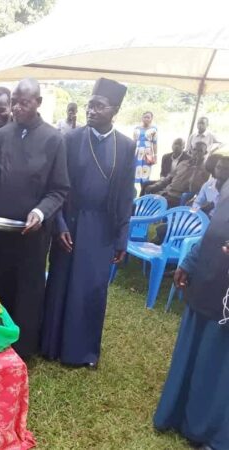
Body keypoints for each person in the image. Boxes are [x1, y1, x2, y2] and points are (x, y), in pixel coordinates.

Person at [0, 77, 70, 359]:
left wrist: (39, 212)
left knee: (26, 290)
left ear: (38, 102)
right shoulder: (1, 136)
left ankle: (21, 351)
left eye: (24, 103)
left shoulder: (54, 139)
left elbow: (59, 189)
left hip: (31, 235)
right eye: (15, 102)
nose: (18, 108)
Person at [40, 78, 135, 368]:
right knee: (62, 282)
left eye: (99, 106)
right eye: (89, 105)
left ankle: (82, 352)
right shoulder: (70, 139)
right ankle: (53, 346)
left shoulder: (126, 146)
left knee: (91, 287)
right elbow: (56, 186)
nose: (91, 111)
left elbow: (125, 195)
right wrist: (59, 224)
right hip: (70, 222)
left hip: (102, 228)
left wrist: (122, 236)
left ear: (115, 110)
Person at [153, 167, 229, 449]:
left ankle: (212, 433)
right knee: (194, 351)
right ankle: (177, 415)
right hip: (207, 278)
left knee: (218, 362)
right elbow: (213, 229)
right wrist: (189, 261)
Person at [145, 141, 209, 207]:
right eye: (195, 150)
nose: (196, 153)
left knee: (151, 206)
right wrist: (156, 185)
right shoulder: (183, 163)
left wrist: (196, 169)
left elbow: (194, 189)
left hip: (179, 198)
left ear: (205, 153)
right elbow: (168, 178)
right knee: (145, 198)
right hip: (166, 192)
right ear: (191, 150)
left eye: (200, 151)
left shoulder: (205, 170)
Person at [191, 153, 229, 218]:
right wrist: (200, 210)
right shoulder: (207, 185)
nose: (221, 171)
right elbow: (196, 203)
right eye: (218, 167)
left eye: (226, 168)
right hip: (204, 217)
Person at [134, 111, 158, 188]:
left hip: (148, 154)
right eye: (145, 117)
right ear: (142, 118)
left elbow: (155, 143)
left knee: (145, 173)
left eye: (148, 117)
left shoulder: (154, 129)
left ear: (151, 119)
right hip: (137, 153)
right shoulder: (137, 128)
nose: (146, 119)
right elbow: (133, 141)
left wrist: (155, 156)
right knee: (134, 172)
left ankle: (143, 190)